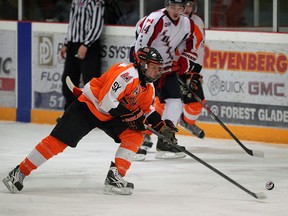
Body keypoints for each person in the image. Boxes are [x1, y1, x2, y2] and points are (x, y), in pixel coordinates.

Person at [2, 47, 180, 195]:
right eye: (155, 67)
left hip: (111, 115)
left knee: (135, 135)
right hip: (89, 107)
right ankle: (19, 172)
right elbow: (106, 101)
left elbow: (147, 110)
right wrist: (133, 116)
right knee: (57, 142)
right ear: (143, 64)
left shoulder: (148, 87)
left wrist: (161, 126)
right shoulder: (127, 74)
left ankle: (115, 177)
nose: (158, 71)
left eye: (159, 67)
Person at [133, 0, 201, 160]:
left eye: (180, 7)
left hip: (165, 66)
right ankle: (136, 141)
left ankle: (165, 140)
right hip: (145, 64)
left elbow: (192, 44)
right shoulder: (155, 19)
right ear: (166, 5)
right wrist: (144, 66)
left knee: (176, 101)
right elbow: (139, 42)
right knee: (142, 102)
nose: (176, 10)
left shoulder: (187, 23)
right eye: (173, 6)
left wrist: (185, 60)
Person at [60, 0, 104, 111]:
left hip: (89, 46)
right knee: (68, 79)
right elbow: (72, 23)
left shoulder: (95, 2)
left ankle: (92, 114)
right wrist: (67, 42)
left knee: (91, 83)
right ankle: (70, 112)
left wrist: (86, 44)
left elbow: (96, 25)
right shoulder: (75, 1)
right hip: (73, 43)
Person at [178, 0, 206, 139]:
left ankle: (186, 122)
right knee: (162, 103)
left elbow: (200, 49)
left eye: (191, 5)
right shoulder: (165, 20)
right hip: (169, 68)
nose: (188, 8)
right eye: (185, 5)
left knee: (197, 102)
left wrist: (195, 73)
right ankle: (146, 135)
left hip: (188, 67)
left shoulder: (197, 22)